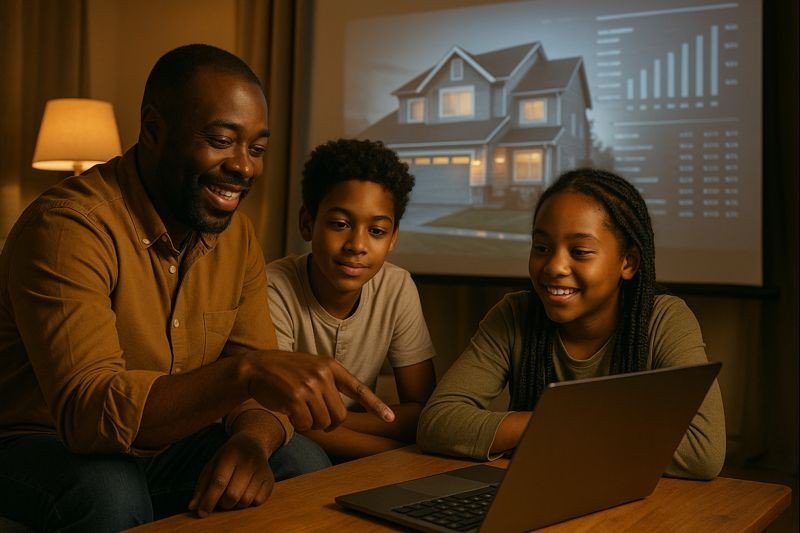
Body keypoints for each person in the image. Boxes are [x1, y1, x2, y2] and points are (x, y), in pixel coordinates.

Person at [0, 44, 394, 531]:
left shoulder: (237, 236)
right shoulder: (68, 229)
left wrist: (251, 441)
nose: (244, 167)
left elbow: (261, 398)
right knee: (109, 491)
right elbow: (89, 413)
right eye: (221, 139)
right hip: (35, 440)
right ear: (153, 130)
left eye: (256, 148)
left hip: (166, 443)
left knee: (300, 460)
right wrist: (245, 375)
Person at [417, 168, 726, 480]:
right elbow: (439, 422)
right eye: (541, 248)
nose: (554, 266)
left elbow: (702, 452)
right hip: (534, 490)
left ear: (628, 262)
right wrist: (558, 425)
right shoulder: (513, 314)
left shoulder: (664, 319)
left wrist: (541, 431)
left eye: (579, 252)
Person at [267, 139, 437, 463]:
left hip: (354, 438)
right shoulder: (274, 287)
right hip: (294, 445)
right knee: (301, 457)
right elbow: (282, 417)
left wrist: (341, 423)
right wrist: (399, 454)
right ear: (307, 223)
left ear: (393, 239)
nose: (357, 245)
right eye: (340, 225)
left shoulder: (397, 286)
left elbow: (424, 412)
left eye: (376, 231)